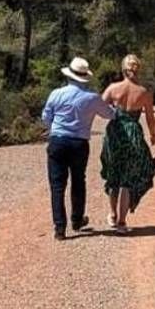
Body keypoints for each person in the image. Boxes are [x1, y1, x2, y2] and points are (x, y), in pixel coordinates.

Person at [41, 57, 115, 241]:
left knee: (57, 186)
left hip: (57, 141)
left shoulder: (56, 94)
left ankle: (60, 228)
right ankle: (77, 219)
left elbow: (46, 116)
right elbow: (110, 114)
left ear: (69, 75)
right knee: (78, 181)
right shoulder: (92, 98)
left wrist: (54, 129)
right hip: (79, 144)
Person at [100, 54, 155, 234]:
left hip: (115, 133)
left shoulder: (113, 88)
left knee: (114, 175)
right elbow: (150, 117)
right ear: (137, 69)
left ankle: (112, 214)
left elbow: (101, 109)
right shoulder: (144, 93)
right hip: (133, 133)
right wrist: (152, 134)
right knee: (126, 179)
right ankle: (122, 222)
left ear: (123, 69)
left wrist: (114, 113)